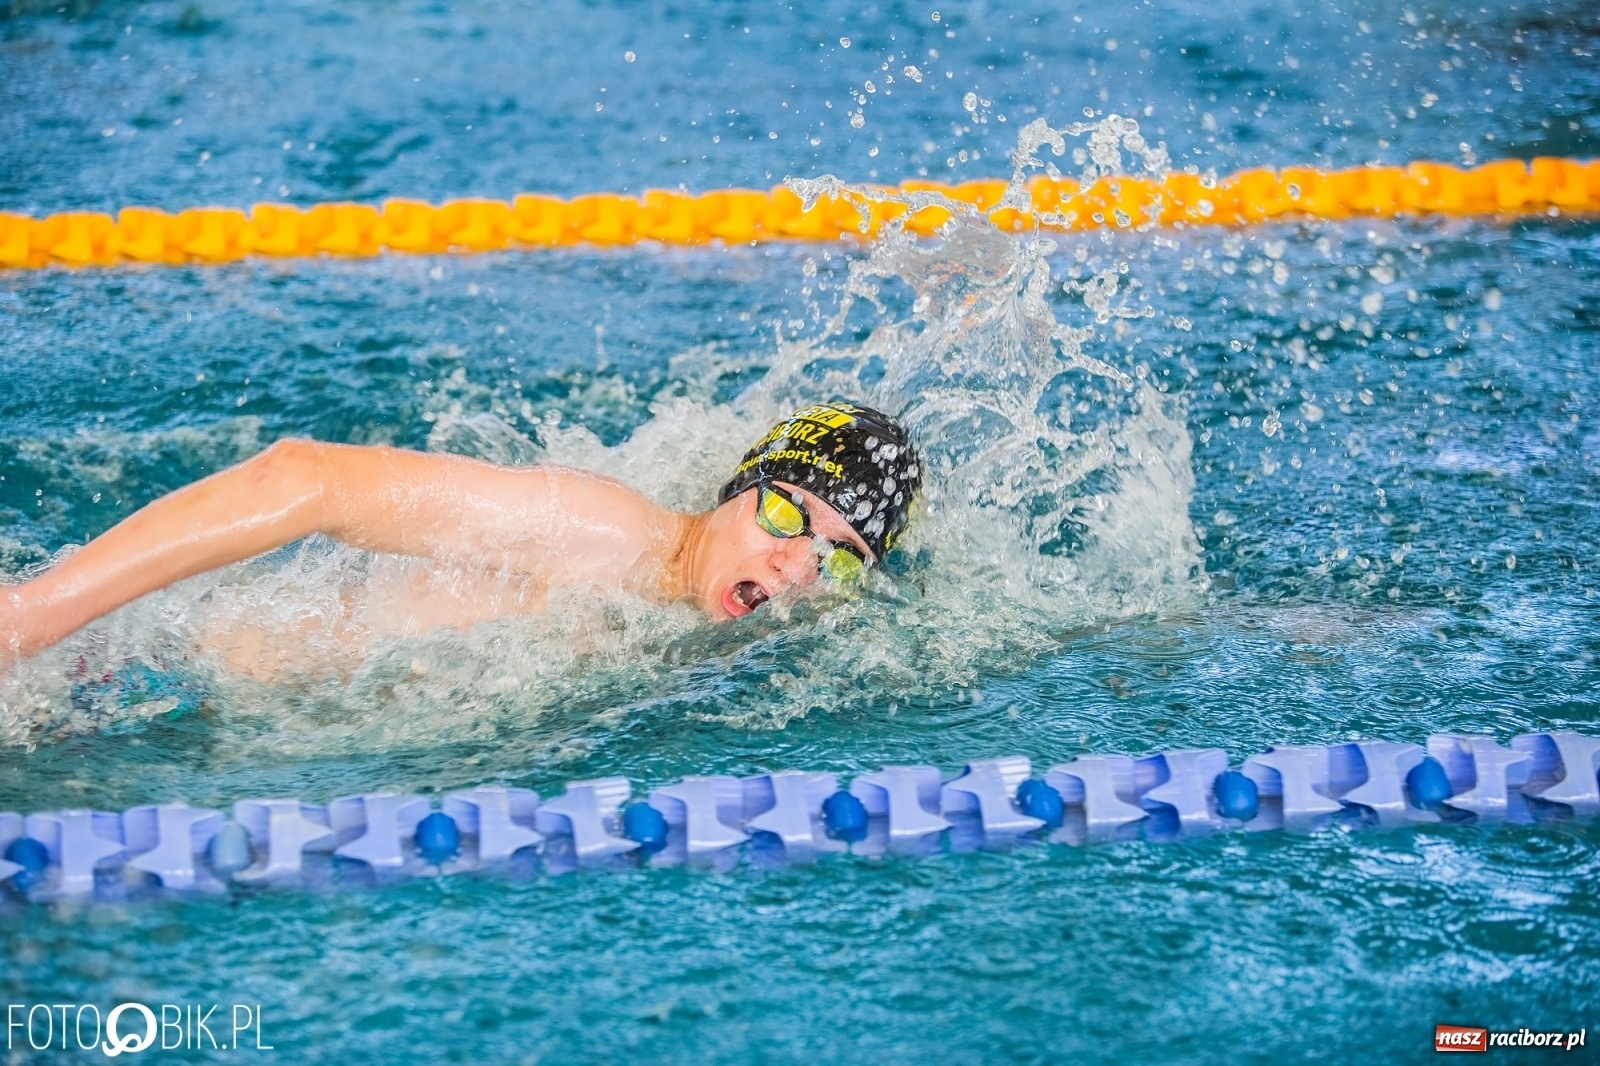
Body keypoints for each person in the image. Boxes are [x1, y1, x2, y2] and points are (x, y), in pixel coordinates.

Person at [0, 401, 921, 667]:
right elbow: (305, 477)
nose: (795, 564)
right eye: (785, 513)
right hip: (116, 672)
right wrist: (34, 618)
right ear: (737, 492)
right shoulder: (600, 532)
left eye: (841, 559)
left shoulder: (694, 622)